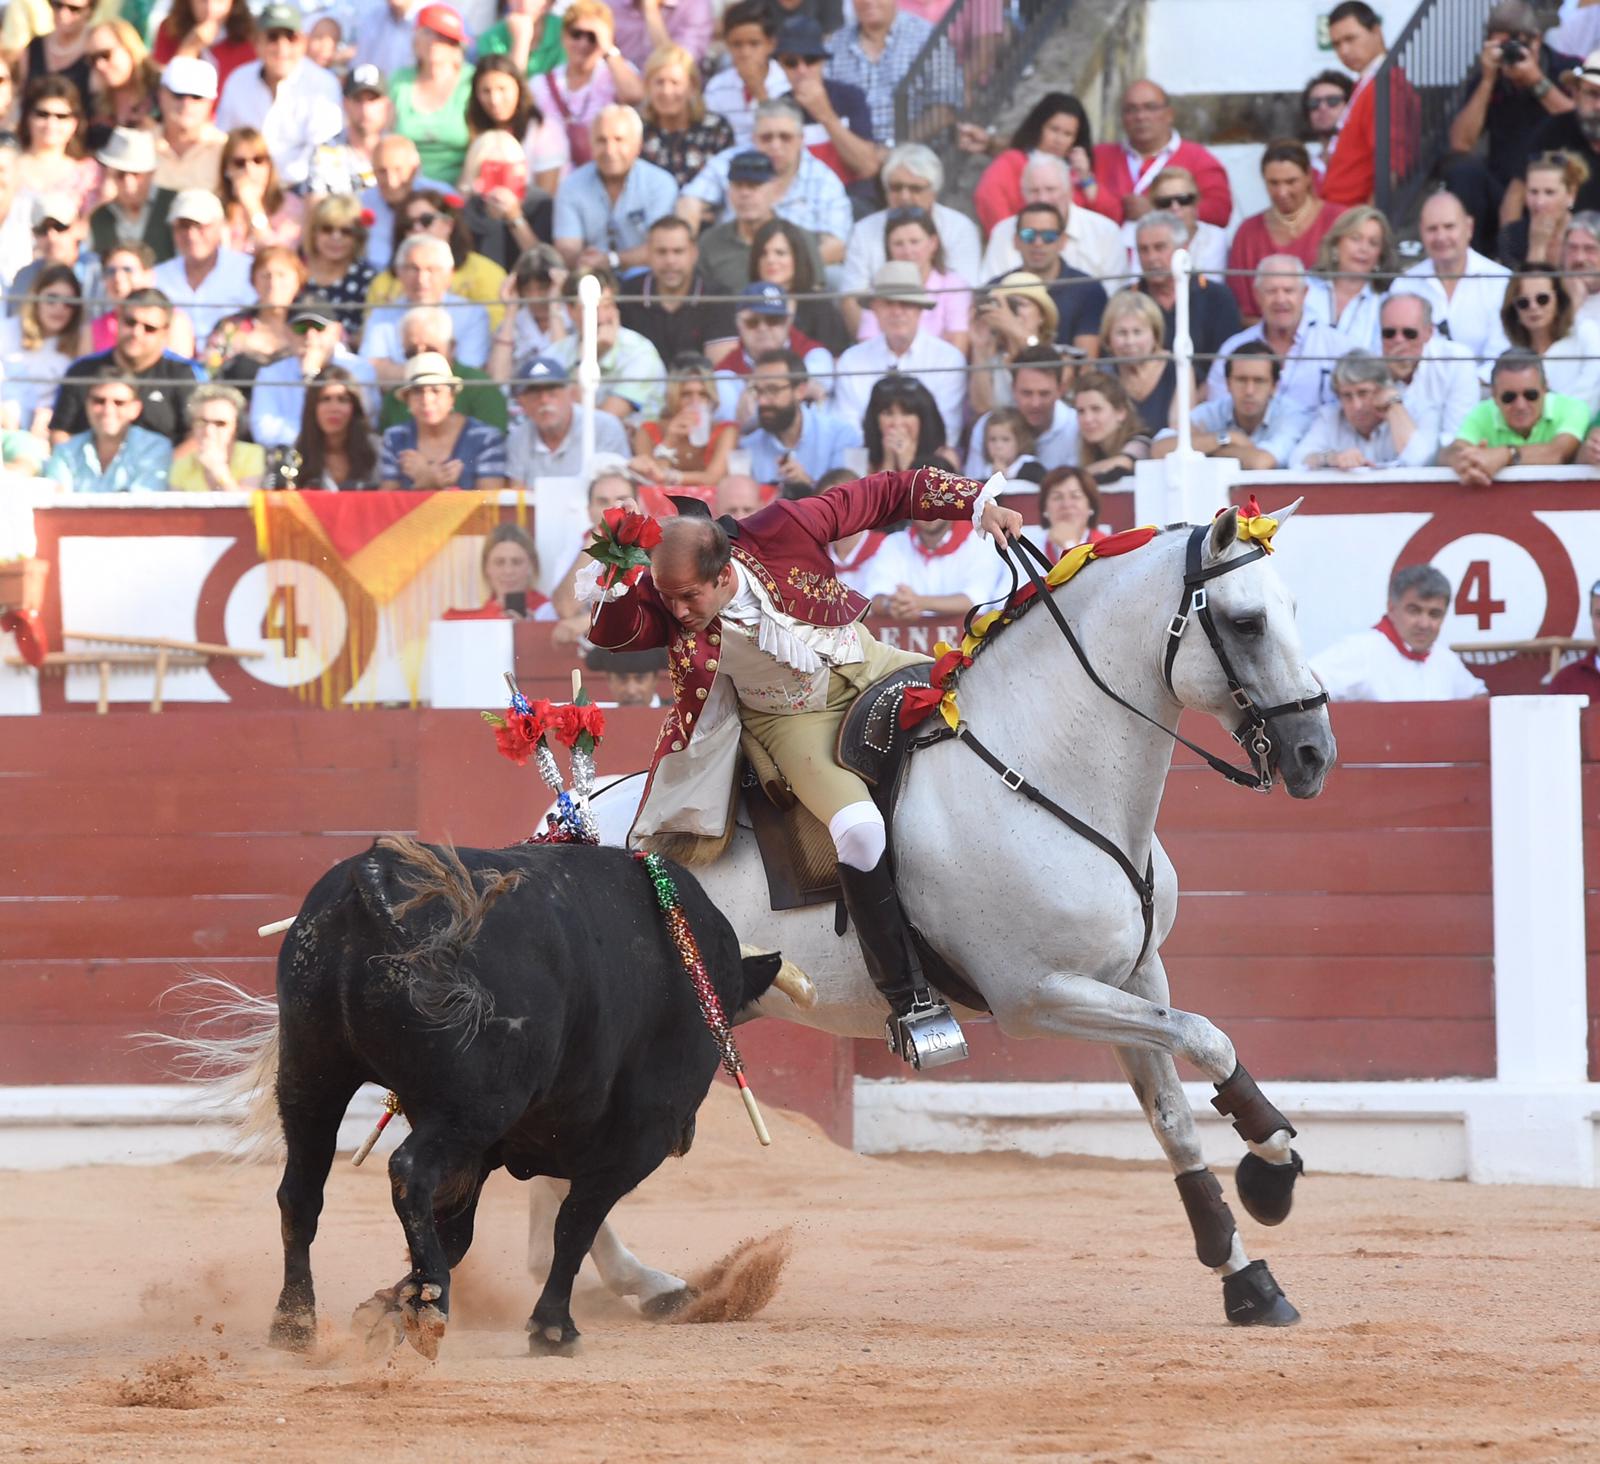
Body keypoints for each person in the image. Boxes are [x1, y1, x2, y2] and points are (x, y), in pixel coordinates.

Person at [1444, 2, 1579, 254]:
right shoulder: (1489, 79)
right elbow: (1461, 144)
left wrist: (1536, 81)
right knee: (1463, 170)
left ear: (1536, 41)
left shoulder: (1566, 69)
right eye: (1501, 46)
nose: (1509, 54)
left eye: (1514, 45)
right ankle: (1468, 260)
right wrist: (1486, 81)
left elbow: (1580, 121)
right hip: (1502, 185)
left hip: (1557, 185)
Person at [678, 96, 851, 265]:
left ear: (801, 140)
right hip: (732, 262)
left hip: (797, 275)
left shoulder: (824, 179)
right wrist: (687, 251)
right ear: (754, 138)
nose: (775, 146)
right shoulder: (731, 162)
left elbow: (836, 246)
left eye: (785, 137)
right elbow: (688, 202)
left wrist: (783, 269)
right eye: (766, 138)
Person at [51, 287, 204, 446]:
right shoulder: (82, 371)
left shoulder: (181, 375)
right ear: (117, 320)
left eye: (149, 328)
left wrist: (167, 468)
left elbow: (195, 436)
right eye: (130, 322)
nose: (137, 332)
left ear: (165, 333)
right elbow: (60, 431)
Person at [214, 1, 343, 188]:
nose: (282, 48)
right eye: (273, 37)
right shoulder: (238, 80)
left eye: (291, 37)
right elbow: (224, 141)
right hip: (244, 184)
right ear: (257, 42)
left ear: (303, 43)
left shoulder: (323, 85)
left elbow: (325, 154)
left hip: (304, 189)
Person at [1311, 564, 1486, 702]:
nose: (1424, 623)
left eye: (1434, 614)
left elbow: (1479, 699)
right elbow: (1310, 681)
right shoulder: (1361, 649)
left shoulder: (1446, 660)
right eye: (1414, 610)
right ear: (1391, 608)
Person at [835, 261, 966, 445]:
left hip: (927, 464)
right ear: (875, 308)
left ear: (920, 310)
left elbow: (947, 432)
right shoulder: (851, 361)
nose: (897, 312)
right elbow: (848, 432)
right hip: (869, 464)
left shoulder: (948, 359)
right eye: (888, 303)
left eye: (906, 304)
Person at [1391, 191, 1512, 382]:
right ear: (1421, 233)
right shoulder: (1405, 285)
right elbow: (1395, 352)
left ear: (1469, 228)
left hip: (1484, 395)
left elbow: (1501, 355)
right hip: (1418, 395)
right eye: (1432, 229)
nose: (1441, 237)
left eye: (1449, 227)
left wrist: (1463, 387)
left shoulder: (1500, 281)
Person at [839, 144, 982, 302]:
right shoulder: (863, 230)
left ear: (934, 191)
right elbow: (852, 297)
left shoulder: (960, 228)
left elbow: (964, 295)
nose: (905, 196)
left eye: (915, 189)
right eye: (896, 188)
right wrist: (871, 327)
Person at [1207, 255, 1345, 416]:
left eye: (1288, 291)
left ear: (1304, 293)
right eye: (1271, 291)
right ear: (1257, 295)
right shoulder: (1233, 349)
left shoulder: (1338, 347)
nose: (1280, 299)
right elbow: (1217, 414)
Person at [552, 102, 679, 269]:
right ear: (590, 144)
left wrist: (612, 260)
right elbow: (566, 246)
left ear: (638, 145)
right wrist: (581, 259)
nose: (610, 150)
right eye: (601, 140)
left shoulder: (661, 184)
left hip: (649, 282)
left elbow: (663, 248)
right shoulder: (571, 186)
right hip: (591, 278)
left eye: (619, 140)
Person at [859, 488, 1013, 626]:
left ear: (953, 503)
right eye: (922, 502)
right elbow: (873, 596)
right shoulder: (895, 542)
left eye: (938, 501)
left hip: (968, 650)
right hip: (908, 651)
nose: (929, 509)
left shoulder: (981, 541)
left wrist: (920, 603)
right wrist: (890, 605)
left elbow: (976, 600)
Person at [1226, 142, 1345, 320]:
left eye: (1291, 182)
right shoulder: (1248, 233)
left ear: (1308, 177)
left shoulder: (1340, 222)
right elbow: (1241, 309)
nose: (1282, 192)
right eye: (1273, 183)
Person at [1090, 79, 1231, 227]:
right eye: (1131, 109)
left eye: (1150, 107)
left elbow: (1220, 212)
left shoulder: (1198, 159)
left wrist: (1159, 211)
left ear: (1169, 114)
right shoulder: (1099, 157)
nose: (1140, 116)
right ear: (1122, 117)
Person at [1152, 340, 1311, 470]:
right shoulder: (1214, 411)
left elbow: (1261, 462)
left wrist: (1204, 449)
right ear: (1228, 384)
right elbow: (1159, 449)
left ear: (1274, 386)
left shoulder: (1291, 415)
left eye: (1259, 381)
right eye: (1241, 380)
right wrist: (1227, 438)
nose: (1249, 390)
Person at [530, 0, 646, 172]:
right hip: (555, 180)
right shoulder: (541, 84)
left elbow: (635, 95)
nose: (583, 43)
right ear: (563, 36)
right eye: (576, 34)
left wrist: (608, 48)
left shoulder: (616, 73)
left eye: (592, 37)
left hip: (607, 174)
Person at [361, 234, 493, 384]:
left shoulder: (472, 314)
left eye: (432, 269)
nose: (422, 279)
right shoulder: (381, 315)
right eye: (413, 269)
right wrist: (436, 373)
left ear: (450, 275)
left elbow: (468, 371)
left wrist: (401, 372)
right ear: (399, 273)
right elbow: (371, 370)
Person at [824, 0, 959, 146]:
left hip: (915, 155)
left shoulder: (928, 38)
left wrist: (894, 150)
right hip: (852, 155)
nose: (868, 2)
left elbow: (944, 109)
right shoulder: (834, 46)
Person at [1443, 350, 1587, 485]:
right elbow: (1452, 450)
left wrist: (1506, 455)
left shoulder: (1573, 409)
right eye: (1509, 397)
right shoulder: (1481, 412)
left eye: (1530, 395)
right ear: (1494, 395)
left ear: (1545, 389)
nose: (1520, 405)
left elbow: (1557, 453)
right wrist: (1464, 460)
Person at [986, 199, 1107, 359]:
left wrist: (1017, 332)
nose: (1038, 243)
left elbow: (1085, 367)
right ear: (1015, 241)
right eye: (1028, 235)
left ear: (1063, 241)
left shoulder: (1088, 289)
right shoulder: (995, 289)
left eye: (1048, 236)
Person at [543, 265, 667, 420]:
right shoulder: (555, 353)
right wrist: (587, 358)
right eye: (591, 308)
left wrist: (589, 358)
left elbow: (603, 425)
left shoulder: (639, 353)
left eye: (607, 306)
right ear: (570, 310)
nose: (601, 318)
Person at [250, 296, 378, 447]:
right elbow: (264, 431)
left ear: (336, 331)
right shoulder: (270, 374)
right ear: (287, 333)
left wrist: (311, 376)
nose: (310, 337)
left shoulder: (359, 369)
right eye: (301, 329)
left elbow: (363, 424)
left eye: (318, 328)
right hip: (294, 462)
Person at [774, 14, 882, 190]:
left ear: (822, 61)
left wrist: (825, 114)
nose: (801, 70)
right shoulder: (779, 107)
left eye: (810, 60)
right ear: (781, 65)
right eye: (791, 62)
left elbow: (868, 166)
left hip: (852, 196)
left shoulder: (851, 97)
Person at [967, 91, 1100, 234]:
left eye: (1068, 134)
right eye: (1054, 129)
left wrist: (1087, 180)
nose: (1059, 140)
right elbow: (988, 197)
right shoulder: (1012, 161)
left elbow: (1108, 218)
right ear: (1039, 127)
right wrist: (1018, 240)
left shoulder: (1078, 172)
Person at [980, 153, 1124, 284]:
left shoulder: (1105, 232)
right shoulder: (1003, 232)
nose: (1043, 198)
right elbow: (990, 292)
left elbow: (1113, 297)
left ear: (1069, 191)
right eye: (1034, 191)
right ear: (1023, 195)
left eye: (1051, 189)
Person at [378, 351, 509, 490]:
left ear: (451, 397)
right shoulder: (394, 438)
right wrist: (426, 482)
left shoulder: (486, 438)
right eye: (417, 391)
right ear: (407, 400)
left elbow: (490, 504)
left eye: (435, 391)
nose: (427, 400)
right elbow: (387, 504)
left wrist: (431, 481)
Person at [617, 214, 736, 361]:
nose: (670, 261)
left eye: (678, 251)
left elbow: (721, 369)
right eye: (661, 252)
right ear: (648, 253)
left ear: (694, 253)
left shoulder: (718, 297)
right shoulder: (629, 294)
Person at [711, 280, 833, 423]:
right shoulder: (724, 373)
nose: (763, 328)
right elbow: (732, 422)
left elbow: (822, 384)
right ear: (739, 325)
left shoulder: (814, 353)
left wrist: (754, 389)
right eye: (752, 322)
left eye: (773, 320)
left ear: (788, 322)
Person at [741, 347, 862, 491]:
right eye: (758, 391)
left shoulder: (841, 436)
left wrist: (808, 485)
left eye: (772, 390)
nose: (762, 401)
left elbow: (850, 501)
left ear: (800, 390)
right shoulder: (748, 446)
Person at [1320, 2, 1403, 209]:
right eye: (1337, 44)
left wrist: (1367, 226)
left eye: (1350, 39)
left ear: (1376, 31)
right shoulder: (1367, 83)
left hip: (1354, 219)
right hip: (1340, 212)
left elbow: (1391, 166)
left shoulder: (1387, 84)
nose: (1344, 50)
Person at [1130, 211, 1240, 367]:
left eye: (1159, 247)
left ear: (1184, 248)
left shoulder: (1216, 298)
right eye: (1143, 249)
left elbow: (1226, 365)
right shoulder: (1127, 300)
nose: (1151, 258)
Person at [1290, 349, 1431, 471]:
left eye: (1363, 393)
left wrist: (1393, 406)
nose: (1356, 405)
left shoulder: (1415, 410)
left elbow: (1418, 460)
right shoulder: (1331, 417)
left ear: (1382, 389)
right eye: (1347, 396)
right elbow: (1296, 460)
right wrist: (1332, 458)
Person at [1377, 293, 1480, 458]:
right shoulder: (1370, 365)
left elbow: (1457, 438)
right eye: (1389, 333)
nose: (1398, 341)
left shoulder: (1455, 361)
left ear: (1429, 332)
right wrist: (1387, 380)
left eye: (1409, 333)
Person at [377, 306, 509, 434]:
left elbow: (493, 443)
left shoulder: (479, 387)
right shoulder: (397, 394)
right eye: (411, 352)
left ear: (451, 347)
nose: (421, 356)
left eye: (431, 350)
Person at [857, 206, 968, 356]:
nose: (908, 251)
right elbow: (867, 346)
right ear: (888, 248)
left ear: (933, 243)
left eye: (914, 242)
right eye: (898, 244)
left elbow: (957, 347)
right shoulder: (879, 285)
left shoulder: (954, 284)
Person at [151, 188, 256, 345]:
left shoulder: (247, 270)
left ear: (220, 226)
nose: (191, 235)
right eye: (183, 226)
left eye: (200, 226)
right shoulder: (156, 276)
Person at [44, 367, 175, 492]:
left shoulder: (155, 448)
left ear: (136, 409)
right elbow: (57, 505)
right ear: (87, 404)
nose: (108, 410)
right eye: (99, 401)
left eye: (119, 403)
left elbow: (144, 508)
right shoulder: (65, 451)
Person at [506, 354, 630, 485]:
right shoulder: (518, 437)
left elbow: (619, 488)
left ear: (571, 394)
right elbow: (517, 493)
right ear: (522, 402)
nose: (544, 400)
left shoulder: (605, 427)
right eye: (534, 394)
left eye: (552, 392)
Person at [388, 4, 475, 185]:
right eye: (428, 33)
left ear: (456, 45)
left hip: (459, 186)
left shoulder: (472, 81)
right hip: (402, 187)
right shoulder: (399, 81)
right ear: (416, 39)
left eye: (443, 37)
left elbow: (483, 143)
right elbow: (384, 134)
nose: (434, 42)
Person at [549, 459, 637, 640]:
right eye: (602, 501)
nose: (613, 508)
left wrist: (587, 622)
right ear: (589, 511)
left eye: (621, 500)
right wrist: (595, 539)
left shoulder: (655, 545)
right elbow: (565, 608)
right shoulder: (575, 548)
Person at [464, 51, 566, 203]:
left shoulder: (544, 129)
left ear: (518, 87)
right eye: (486, 91)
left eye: (502, 89)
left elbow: (546, 197)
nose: (494, 100)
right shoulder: (478, 130)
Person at [964, 345, 1080, 476]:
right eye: (1026, 393)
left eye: (1044, 393)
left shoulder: (1076, 425)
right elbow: (971, 486)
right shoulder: (988, 424)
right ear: (1013, 388)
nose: (1035, 403)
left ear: (1061, 390)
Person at [1500, 266, 1600, 412]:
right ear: (1514, 310)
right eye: (1523, 303)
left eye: (1542, 299)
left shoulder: (1585, 333)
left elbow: (1589, 397)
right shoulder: (1511, 354)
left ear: (1558, 300)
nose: (1533, 307)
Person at [637, 41, 735, 188]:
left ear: (692, 87)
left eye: (675, 83)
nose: (667, 91)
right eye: (659, 82)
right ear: (648, 87)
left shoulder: (716, 129)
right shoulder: (638, 132)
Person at [0, 263, 82, 436]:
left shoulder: (81, 345)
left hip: (47, 433)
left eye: (69, 302)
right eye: (51, 299)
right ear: (35, 298)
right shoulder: (6, 332)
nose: (59, 308)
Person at [748, 216, 849, 356]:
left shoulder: (819, 306)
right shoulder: (744, 304)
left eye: (780, 253)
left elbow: (836, 357)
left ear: (797, 258)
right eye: (763, 254)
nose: (770, 260)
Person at [630, 352, 735, 486]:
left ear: (711, 398)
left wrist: (672, 477)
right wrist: (669, 442)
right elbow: (652, 480)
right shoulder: (647, 431)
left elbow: (713, 478)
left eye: (703, 394)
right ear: (673, 397)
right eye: (686, 394)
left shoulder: (725, 431)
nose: (695, 402)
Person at [269, 365, 382, 489]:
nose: (334, 408)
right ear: (312, 407)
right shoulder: (295, 454)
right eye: (325, 399)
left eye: (342, 400)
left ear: (354, 407)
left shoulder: (377, 450)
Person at [1304, 204, 1397, 352]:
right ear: (1335, 245)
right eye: (1355, 239)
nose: (1363, 249)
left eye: (1373, 243)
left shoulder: (1385, 305)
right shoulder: (1305, 288)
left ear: (1380, 257)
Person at [202, 244, 305, 377]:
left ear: (298, 281)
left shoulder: (309, 329)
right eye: (266, 276)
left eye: (282, 275)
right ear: (254, 281)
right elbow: (209, 375)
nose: (273, 284)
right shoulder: (229, 328)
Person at [969, 270, 1060, 417]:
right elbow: (982, 409)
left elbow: (1045, 364)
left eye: (1022, 305)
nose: (1013, 313)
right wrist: (980, 348)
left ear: (1041, 316)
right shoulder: (993, 361)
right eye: (1010, 305)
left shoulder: (1062, 355)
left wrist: (1015, 329)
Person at [359, 135, 454, 271]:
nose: (391, 181)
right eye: (382, 171)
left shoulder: (441, 196)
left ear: (415, 169)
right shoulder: (363, 203)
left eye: (398, 170)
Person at [88, 242, 197, 357]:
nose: (118, 278)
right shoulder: (94, 328)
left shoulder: (174, 322)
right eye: (111, 271)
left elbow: (178, 370)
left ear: (149, 276)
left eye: (127, 270)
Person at [705, 1, 787, 149]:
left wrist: (759, 92)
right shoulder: (716, 87)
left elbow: (785, 136)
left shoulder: (787, 84)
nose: (745, 53)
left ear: (771, 45)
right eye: (737, 44)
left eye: (754, 44)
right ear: (727, 44)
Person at [88, 128, 175, 263]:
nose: (129, 183)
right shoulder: (98, 215)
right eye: (120, 175)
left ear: (151, 173)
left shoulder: (172, 205)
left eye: (136, 174)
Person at [1099, 290, 1180, 436]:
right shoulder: (1103, 375)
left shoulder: (1178, 369)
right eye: (1121, 333)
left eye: (1137, 332)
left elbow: (1179, 433)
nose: (1130, 342)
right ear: (1108, 338)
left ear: (1155, 335)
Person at [304, 64, 391, 197]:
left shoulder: (397, 152)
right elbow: (315, 209)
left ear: (386, 105)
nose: (365, 109)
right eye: (358, 100)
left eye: (372, 99)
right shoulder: (325, 154)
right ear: (345, 103)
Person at [16, 75, 100, 209]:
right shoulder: (6, 166)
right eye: (42, 114)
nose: (51, 123)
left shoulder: (88, 174)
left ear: (75, 123)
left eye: (62, 116)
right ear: (27, 117)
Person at [443, 523, 559, 620]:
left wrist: (533, 630)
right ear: (486, 567)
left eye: (517, 562)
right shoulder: (469, 620)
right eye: (499, 562)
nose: (508, 571)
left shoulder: (551, 614)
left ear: (531, 566)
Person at [218, 124, 305, 253]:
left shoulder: (290, 205)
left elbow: (277, 256)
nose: (250, 170)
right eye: (239, 163)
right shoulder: (216, 208)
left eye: (258, 160)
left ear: (269, 165)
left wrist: (254, 209)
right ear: (227, 169)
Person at [300, 193, 378, 337]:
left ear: (358, 237)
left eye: (346, 231)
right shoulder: (295, 269)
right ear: (314, 232)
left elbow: (368, 333)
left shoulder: (366, 278)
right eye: (327, 229)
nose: (336, 237)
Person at [1497, 150, 1589, 268]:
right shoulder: (1511, 236)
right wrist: (1537, 247)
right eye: (1533, 192)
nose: (1539, 202)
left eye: (1549, 192)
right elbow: (1522, 285)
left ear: (1571, 194)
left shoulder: (1589, 235)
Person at [168, 382, 265, 490]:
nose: (209, 431)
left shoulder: (253, 455)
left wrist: (218, 471)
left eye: (220, 424)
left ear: (236, 427)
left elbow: (248, 504)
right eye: (201, 422)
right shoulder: (182, 464)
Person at [153, 57, 226, 194]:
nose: (186, 104)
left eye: (196, 97)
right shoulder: (139, 142)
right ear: (161, 94)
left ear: (211, 102)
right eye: (178, 95)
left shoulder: (226, 149)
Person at [152, 0, 257, 97]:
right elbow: (164, 93)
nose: (210, 9)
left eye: (219, 1)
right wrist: (189, 49)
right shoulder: (169, 30)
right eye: (203, 1)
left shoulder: (249, 39)